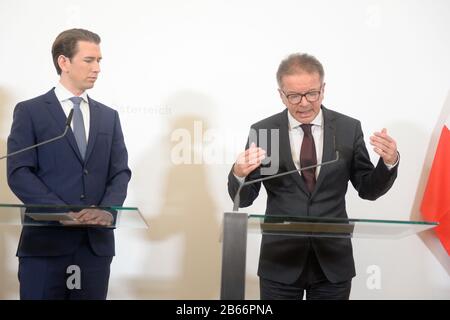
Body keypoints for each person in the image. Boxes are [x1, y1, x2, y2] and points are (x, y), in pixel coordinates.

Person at [227, 53, 399, 300]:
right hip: (280, 263)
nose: (304, 103)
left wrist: (389, 162)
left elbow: (368, 189)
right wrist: (239, 174)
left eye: (312, 93)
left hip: (332, 263)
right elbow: (244, 199)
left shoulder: (347, 128)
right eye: (294, 96)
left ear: (323, 90)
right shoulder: (265, 131)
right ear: (281, 95)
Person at [7, 28, 131, 299]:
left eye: (99, 60)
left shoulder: (109, 116)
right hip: (44, 246)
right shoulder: (30, 111)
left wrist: (108, 210)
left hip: (94, 247)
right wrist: (61, 212)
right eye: (89, 60)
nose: (97, 68)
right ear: (64, 62)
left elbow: (120, 171)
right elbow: (19, 172)